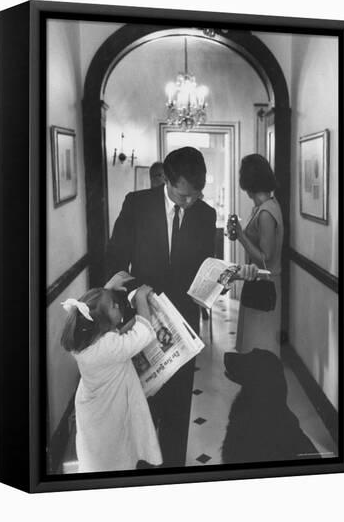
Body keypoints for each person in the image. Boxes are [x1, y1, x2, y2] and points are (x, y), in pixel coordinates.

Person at [106, 146, 216, 467]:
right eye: (184, 196)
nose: (190, 202)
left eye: (196, 195)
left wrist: (219, 278)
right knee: (142, 406)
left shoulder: (205, 214)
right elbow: (113, 261)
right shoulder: (137, 204)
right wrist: (136, 294)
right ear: (166, 180)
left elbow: (203, 268)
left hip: (183, 327)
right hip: (141, 321)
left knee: (178, 409)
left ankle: (173, 475)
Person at [60, 284, 162, 473]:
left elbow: (109, 328)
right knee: (117, 452)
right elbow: (144, 333)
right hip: (110, 410)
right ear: (101, 322)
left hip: (93, 409)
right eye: (114, 305)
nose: (118, 306)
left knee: (97, 454)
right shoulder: (109, 346)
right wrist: (140, 299)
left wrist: (106, 291)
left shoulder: (84, 342)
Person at [227, 153, 284, 357]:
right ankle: (252, 386)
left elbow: (265, 257)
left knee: (259, 346)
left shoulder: (267, 212)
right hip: (257, 280)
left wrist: (241, 235)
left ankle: (257, 387)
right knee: (252, 345)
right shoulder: (262, 207)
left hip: (265, 284)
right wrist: (238, 233)